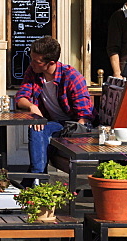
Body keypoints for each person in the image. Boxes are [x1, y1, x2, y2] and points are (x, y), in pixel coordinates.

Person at [14, 37, 92, 175]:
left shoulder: (72, 77)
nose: (31, 63)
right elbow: (20, 98)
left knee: (42, 137)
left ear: (50, 63)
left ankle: (35, 179)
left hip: (71, 125)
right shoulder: (33, 72)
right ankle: (38, 178)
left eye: (36, 61)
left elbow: (84, 117)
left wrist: (71, 143)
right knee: (37, 127)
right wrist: (32, 107)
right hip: (53, 123)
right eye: (31, 59)